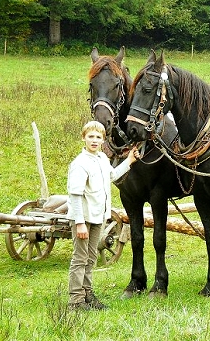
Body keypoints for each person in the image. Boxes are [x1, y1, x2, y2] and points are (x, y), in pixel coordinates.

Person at [66, 121, 140, 311]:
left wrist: (129, 161)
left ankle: (87, 295)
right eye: (90, 136)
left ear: (103, 140)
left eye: (98, 137)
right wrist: (80, 223)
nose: (94, 140)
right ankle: (75, 301)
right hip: (83, 218)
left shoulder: (101, 159)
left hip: (98, 217)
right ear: (84, 138)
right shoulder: (80, 163)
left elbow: (113, 175)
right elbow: (75, 194)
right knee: (80, 258)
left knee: (91, 257)